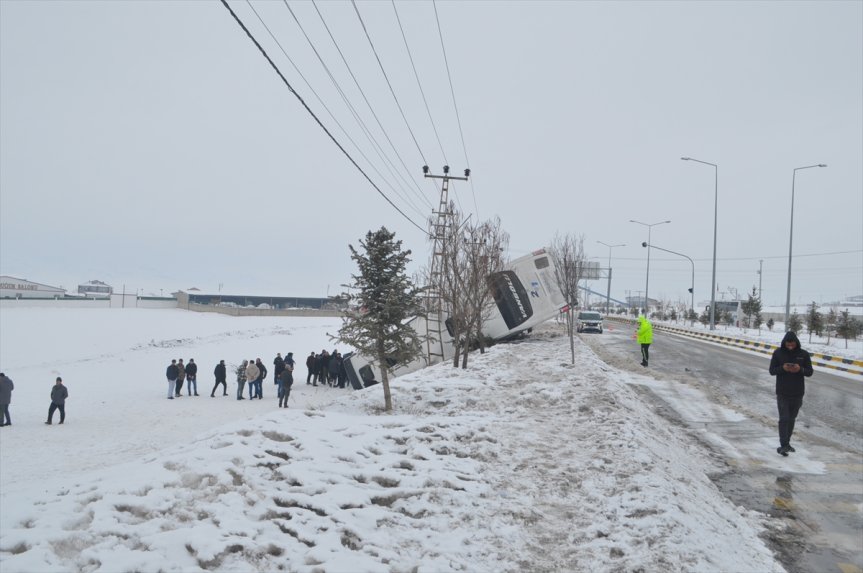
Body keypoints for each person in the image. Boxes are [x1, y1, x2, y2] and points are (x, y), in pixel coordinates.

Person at [769, 331, 814, 456]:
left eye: (792, 344)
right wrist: (782, 368)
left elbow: (810, 372)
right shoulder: (778, 353)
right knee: (784, 418)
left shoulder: (803, 354)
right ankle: (783, 445)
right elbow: (772, 371)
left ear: (796, 343)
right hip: (782, 392)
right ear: (784, 343)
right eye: (788, 344)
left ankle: (787, 443)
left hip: (798, 392)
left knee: (791, 419)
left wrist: (800, 369)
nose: (790, 346)